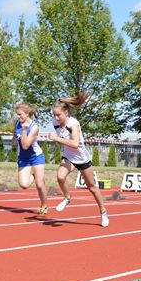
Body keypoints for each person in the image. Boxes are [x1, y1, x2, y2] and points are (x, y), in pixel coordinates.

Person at [47, 92, 109, 227]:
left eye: (58, 115)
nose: (56, 118)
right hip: (68, 157)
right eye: (54, 115)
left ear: (66, 113)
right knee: (60, 177)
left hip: (81, 158)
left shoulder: (73, 124)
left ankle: (103, 211)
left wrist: (56, 138)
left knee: (92, 188)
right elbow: (63, 139)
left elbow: (75, 144)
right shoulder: (55, 123)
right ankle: (67, 197)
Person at [13, 102, 48, 215]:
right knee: (24, 185)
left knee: (40, 185)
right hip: (23, 158)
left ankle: (44, 205)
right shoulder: (17, 123)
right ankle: (35, 175)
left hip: (36, 157)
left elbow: (25, 146)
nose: (18, 116)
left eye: (20, 114)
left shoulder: (34, 127)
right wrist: (14, 142)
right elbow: (15, 133)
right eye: (17, 114)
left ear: (27, 114)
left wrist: (24, 130)